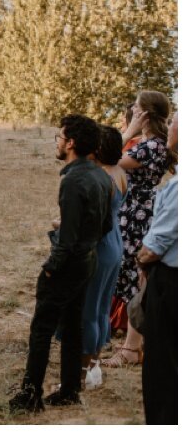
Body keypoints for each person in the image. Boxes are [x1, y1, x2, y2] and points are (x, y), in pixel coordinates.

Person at [8, 115, 111, 412]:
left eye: (60, 137)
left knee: (41, 328)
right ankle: (69, 389)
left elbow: (65, 241)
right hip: (88, 261)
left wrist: (50, 267)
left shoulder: (72, 181)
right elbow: (106, 226)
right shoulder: (102, 176)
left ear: (71, 143)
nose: (57, 142)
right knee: (74, 324)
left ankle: (30, 395)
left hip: (67, 264)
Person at [104, 90, 172, 369]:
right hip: (130, 209)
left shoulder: (153, 145)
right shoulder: (147, 143)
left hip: (137, 213)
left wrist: (128, 129)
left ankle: (133, 346)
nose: (131, 107)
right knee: (127, 274)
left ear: (145, 113)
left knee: (133, 276)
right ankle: (130, 339)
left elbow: (106, 158)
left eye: (136, 106)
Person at [70, 124, 127, 389]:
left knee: (89, 312)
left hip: (101, 245)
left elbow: (93, 220)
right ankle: (95, 365)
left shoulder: (102, 177)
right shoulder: (120, 172)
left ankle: (82, 377)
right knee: (102, 308)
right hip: (116, 243)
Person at [136, 111, 176, 424]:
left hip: (171, 281)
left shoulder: (179, 188)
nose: (170, 126)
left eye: (176, 121)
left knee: (162, 370)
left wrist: (141, 261)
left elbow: (153, 248)